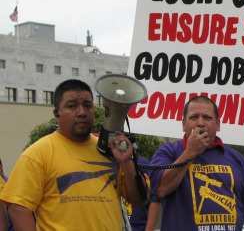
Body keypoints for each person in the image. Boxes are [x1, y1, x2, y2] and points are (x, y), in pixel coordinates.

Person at [0, 79, 149, 230]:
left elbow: (140, 200)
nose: (82, 112)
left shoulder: (109, 150)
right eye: (72, 106)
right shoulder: (37, 153)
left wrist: (127, 162)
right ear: (57, 113)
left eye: (87, 105)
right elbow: (18, 207)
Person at [149, 95, 244, 230]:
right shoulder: (169, 152)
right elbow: (161, 189)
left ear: (218, 124)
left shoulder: (237, 159)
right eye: (194, 117)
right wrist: (190, 152)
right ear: (184, 124)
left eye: (207, 117)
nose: (200, 123)